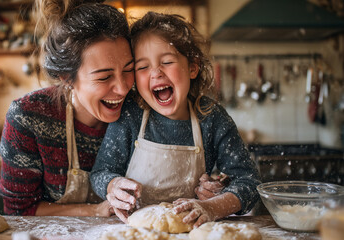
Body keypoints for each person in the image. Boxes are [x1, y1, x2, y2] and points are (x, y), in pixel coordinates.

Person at [90, 11, 261, 227]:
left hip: (192, 231)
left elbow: (250, 182)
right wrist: (113, 185)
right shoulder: (130, 115)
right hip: (133, 231)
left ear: (192, 67)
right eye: (142, 67)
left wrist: (215, 204)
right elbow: (100, 173)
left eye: (167, 61)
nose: (156, 73)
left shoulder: (211, 118)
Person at [0, 0, 135, 216]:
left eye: (129, 70)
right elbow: (20, 211)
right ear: (67, 78)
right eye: (104, 77)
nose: (123, 88)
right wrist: (95, 210)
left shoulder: (139, 109)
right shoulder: (28, 117)